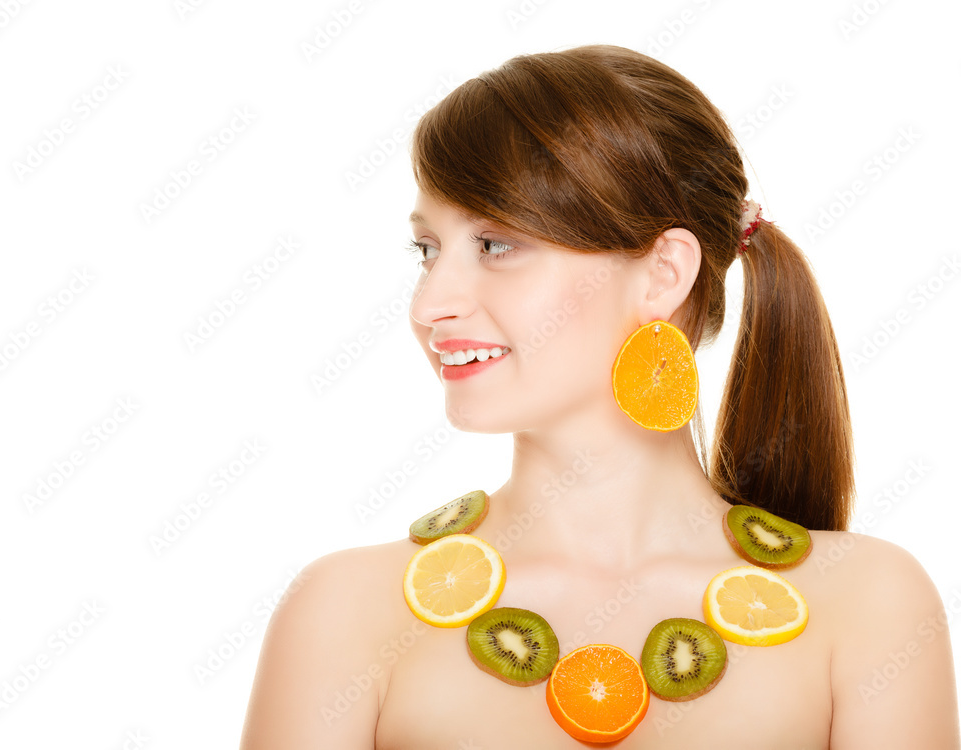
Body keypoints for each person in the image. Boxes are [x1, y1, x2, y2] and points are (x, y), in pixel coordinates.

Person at [239, 44, 960, 748]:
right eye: (428, 251)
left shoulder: (871, 607)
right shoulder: (340, 613)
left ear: (662, 274)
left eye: (496, 244)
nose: (432, 304)